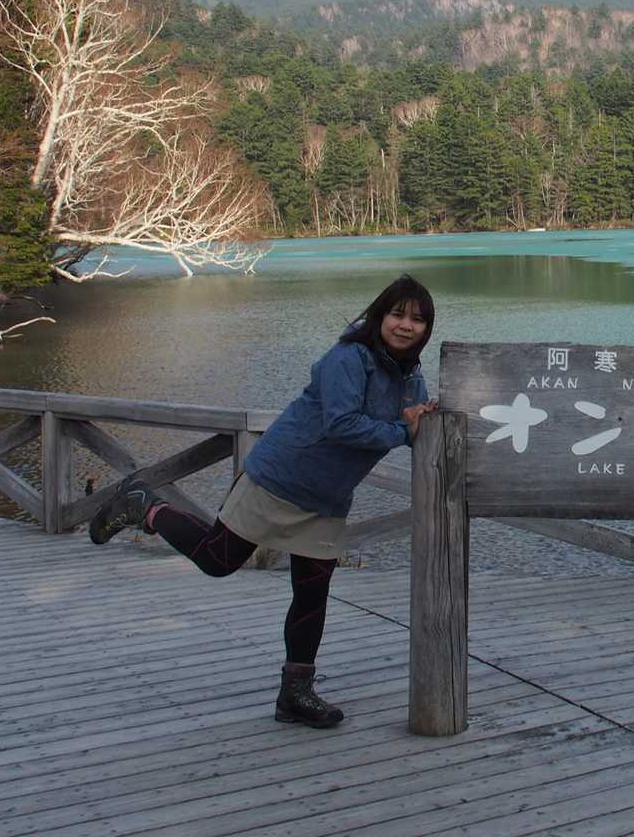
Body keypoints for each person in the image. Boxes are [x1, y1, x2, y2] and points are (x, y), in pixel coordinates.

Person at [87, 274, 439, 729]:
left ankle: (295, 694)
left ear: (427, 329)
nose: (406, 326)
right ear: (379, 315)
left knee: (312, 595)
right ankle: (144, 506)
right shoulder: (349, 358)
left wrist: (424, 421)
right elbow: (341, 424)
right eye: (397, 314)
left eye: (418, 320)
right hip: (281, 475)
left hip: (327, 498)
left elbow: (413, 424)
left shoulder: (411, 377)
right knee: (218, 559)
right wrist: (402, 430)